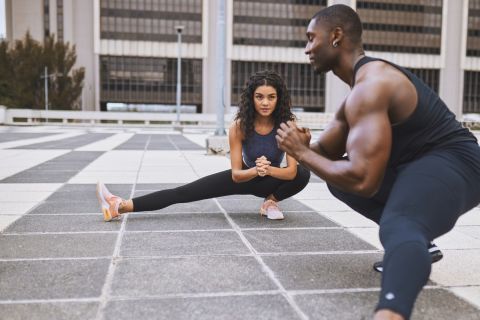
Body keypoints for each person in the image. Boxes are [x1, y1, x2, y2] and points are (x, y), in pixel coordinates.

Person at [275, 4, 480, 320]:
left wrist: (302, 153)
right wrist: (300, 146)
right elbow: (325, 154)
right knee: (339, 182)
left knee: (399, 222)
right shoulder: (354, 97)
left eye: (311, 38)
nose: (306, 48)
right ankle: (413, 244)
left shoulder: (372, 86)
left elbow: (364, 179)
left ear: (336, 36)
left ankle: (391, 310)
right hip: (417, 165)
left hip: (456, 162)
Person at [96, 70, 310, 223]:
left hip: (273, 181)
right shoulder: (239, 127)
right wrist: (256, 170)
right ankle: (119, 206)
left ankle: (270, 202)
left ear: (278, 99)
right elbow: (236, 174)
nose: (265, 103)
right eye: (259, 97)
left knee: (303, 173)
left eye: (271, 97)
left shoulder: (287, 126)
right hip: (246, 177)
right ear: (251, 99)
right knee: (183, 193)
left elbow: (291, 172)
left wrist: (268, 169)